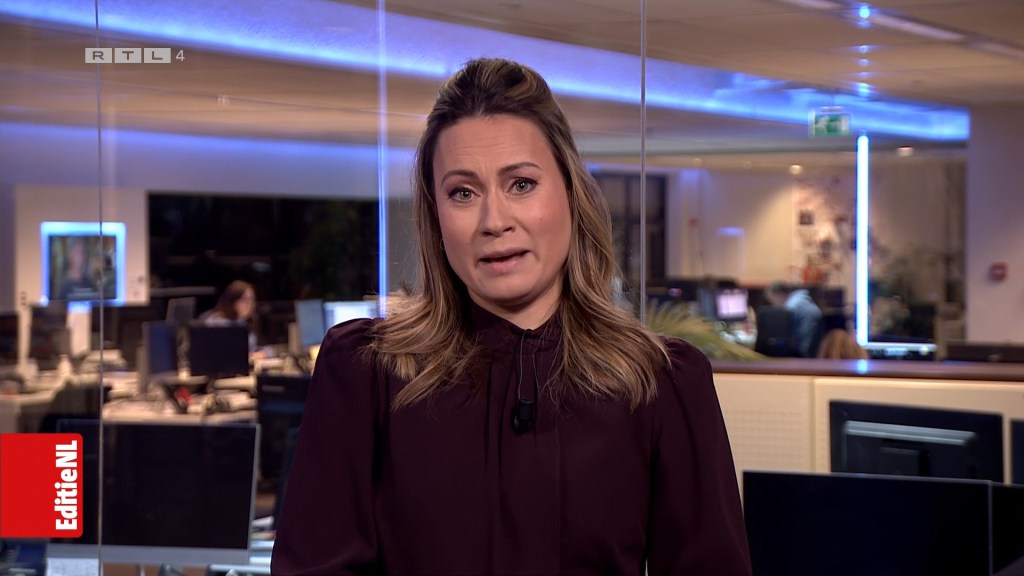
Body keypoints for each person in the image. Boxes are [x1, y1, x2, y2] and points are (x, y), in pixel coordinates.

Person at [272, 58, 751, 575]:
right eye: (462, 193)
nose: (494, 221)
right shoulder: (366, 372)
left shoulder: (662, 382)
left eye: (521, 184)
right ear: (436, 216)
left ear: (570, 192)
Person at [199, 279, 266, 358]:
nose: (250, 304)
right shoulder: (214, 323)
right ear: (232, 301)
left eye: (252, 300)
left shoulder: (246, 322)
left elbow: (254, 348)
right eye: (245, 300)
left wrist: (263, 353)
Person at [765, 280, 823, 357]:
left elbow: (784, 336)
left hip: (803, 353)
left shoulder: (791, 307)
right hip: (814, 350)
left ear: (780, 295)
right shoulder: (801, 300)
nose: (774, 305)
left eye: (772, 301)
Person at [56, 236, 99, 301]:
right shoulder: (64, 287)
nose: (81, 256)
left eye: (83, 252)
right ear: (70, 255)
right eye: (77, 251)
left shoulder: (90, 284)